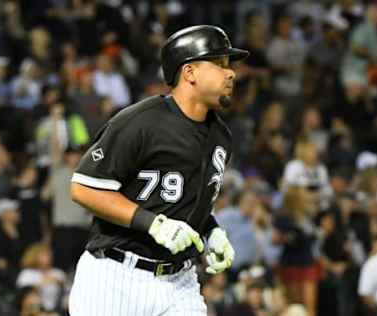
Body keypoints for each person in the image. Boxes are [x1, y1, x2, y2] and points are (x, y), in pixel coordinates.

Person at [68, 25, 249, 316]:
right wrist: (152, 223)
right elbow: (84, 188)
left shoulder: (220, 136)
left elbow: (183, 202)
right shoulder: (140, 122)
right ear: (189, 73)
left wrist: (211, 230)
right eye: (219, 63)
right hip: (116, 275)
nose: (231, 73)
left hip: (180, 281)